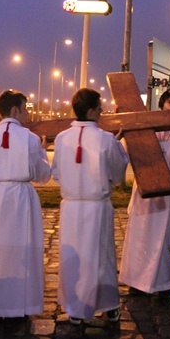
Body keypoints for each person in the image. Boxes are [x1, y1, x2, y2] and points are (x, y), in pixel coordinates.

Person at [0, 90, 51, 319]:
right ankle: (19, 305)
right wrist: (43, 153)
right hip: (21, 197)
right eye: (25, 109)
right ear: (15, 110)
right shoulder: (31, 139)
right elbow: (43, 175)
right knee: (20, 249)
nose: (27, 114)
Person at [51, 88, 128, 325]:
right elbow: (118, 173)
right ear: (91, 110)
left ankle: (75, 308)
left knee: (73, 259)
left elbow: (56, 174)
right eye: (100, 106)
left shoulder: (62, 138)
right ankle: (108, 306)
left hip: (72, 207)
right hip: (97, 206)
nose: (103, 111)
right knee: (101, 258)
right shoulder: (106, 139)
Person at [119, 90, 170, 297]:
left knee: (160, 241)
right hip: (143, 192)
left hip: (165, 192)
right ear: (161, 106)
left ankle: (161, 284)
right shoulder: (148, 128)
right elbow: (126, 152)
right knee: (139, 238)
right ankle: (136, 281)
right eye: (169, 102)